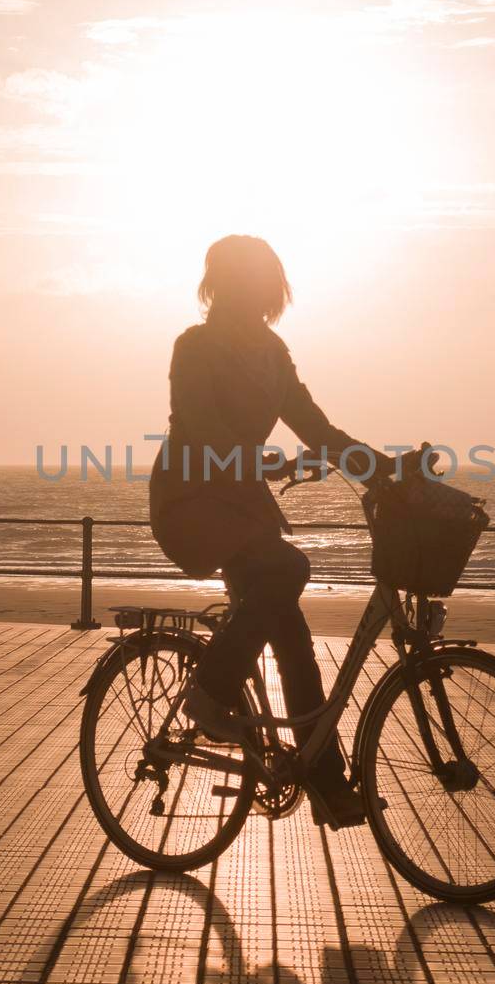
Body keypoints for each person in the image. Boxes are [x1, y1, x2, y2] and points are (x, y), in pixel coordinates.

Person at [149, 235, 394, 829]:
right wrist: (262, 463)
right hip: (192, 498)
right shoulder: (195, 346)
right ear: (224, 284)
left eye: (268, 281)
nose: (262, 292)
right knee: (289, 569)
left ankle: (326, 780)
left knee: (295, 644)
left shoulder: (272, 352)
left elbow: (315, 426)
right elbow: (201, 433)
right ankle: (209, 692)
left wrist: (382, 466)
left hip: (244, 506)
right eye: (250, 279)